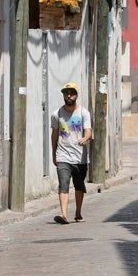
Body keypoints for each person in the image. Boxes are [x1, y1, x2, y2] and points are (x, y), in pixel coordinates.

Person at [50, 82, 92, 224]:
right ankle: (63, 214)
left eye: (71, 93)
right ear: (63, 95)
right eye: (66, 93)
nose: (68, 95)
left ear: (76, 95)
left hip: (80, 156)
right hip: (63, 155)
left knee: (79, 186)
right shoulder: (56, 114)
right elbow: (54, 135)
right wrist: (54, 153)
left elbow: (88, 131)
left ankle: (78, 213)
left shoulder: (83, 113)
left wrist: (85, 139)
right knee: (63, 184)